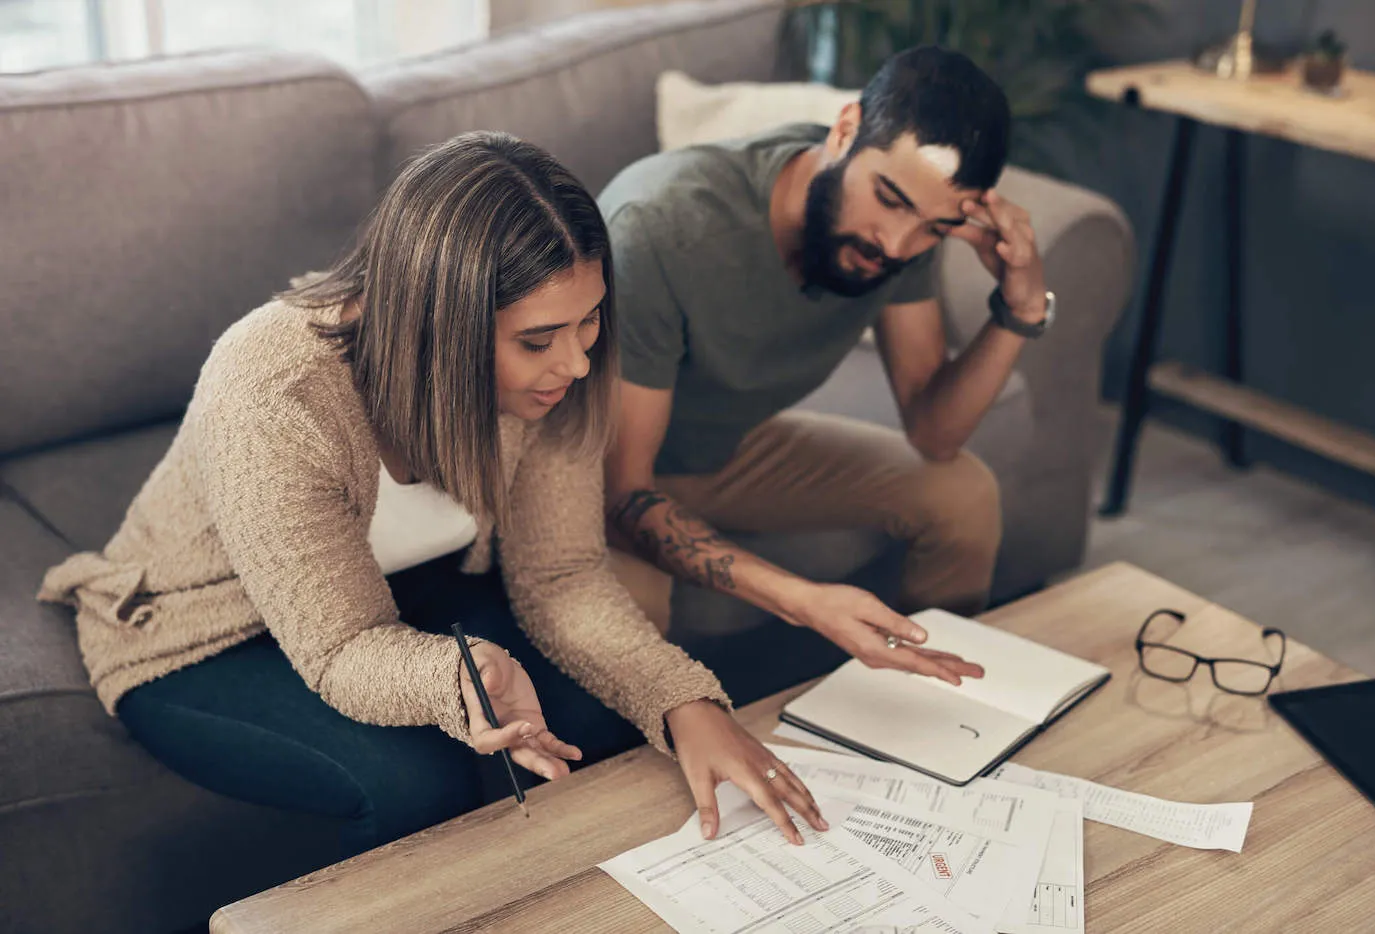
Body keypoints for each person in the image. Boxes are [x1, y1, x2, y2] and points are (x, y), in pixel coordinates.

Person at [39, 131, 824, 853]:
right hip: (206, 629)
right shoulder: (271, 390)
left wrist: (690, 706)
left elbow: (562, 576)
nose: (578, 364)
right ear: (436, 326)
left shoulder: (562, 371)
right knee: (416, 780)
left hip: (402, 587)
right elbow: (341, 648)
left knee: (608, 719)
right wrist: (457, 674)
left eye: (588, 323)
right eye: (537, 341)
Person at [600, 45, 1054, 692]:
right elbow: (624, 494)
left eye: (934, 227)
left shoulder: (904, 238)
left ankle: (935, 714)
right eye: (889, 200)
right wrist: (804, 599)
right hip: (586, 471)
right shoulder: (662, 228)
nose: (896, 245)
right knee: (633, 618)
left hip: (724, 450)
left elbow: (934, 432)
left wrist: (1020, 306)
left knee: (962, 494)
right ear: (843, 131)